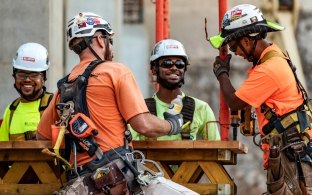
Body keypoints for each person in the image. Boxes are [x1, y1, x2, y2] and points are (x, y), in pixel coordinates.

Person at [36, 12, 198, 195]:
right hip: (116, 180)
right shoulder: (115, 71)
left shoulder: (63, 88)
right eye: (109, 41)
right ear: (98, 39)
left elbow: (41, 136)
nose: (111, 48)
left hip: (80, 185)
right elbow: (144, 126)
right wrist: (172, 124)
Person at [209, 4, 312, 195]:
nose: (235, 53)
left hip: (293, 154)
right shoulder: (273, 56)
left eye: (233, 47)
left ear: (247, 41)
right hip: (290, 149)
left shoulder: (269, 69)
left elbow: (234, 102)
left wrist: (222, 73)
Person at [132, 39, 220, 141]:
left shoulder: (201, 108)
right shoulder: (141, 109)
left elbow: (216, 150)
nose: (174, 68)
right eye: (167, 63)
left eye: (180, 64)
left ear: (185, 69)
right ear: (154, 69)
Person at [0, 42, 53, 141]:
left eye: (34, 74)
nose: (27, 79)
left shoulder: (54, 105)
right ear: (14, 76)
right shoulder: (11, 109)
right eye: (22, 74)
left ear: (44, 78)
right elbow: (2, 150)